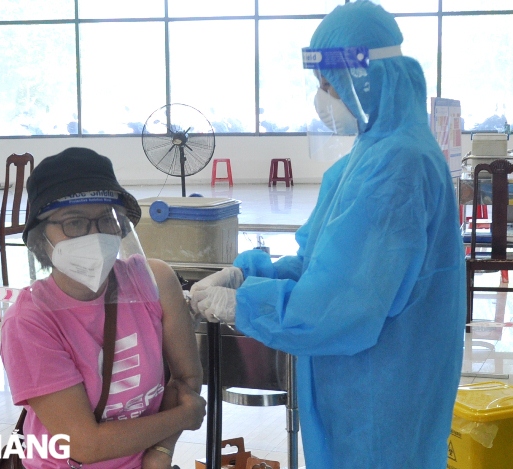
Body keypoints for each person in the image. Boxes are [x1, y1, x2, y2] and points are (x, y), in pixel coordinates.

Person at [190, 2, 465, 468]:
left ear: (369, 80)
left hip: (382, 393)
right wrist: (245, 273)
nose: (322, 100)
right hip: (361, 387)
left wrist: (245, 304)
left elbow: (345, 304)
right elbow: (320, 262)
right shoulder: (368, 156)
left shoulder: (397, 166)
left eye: (329, 85)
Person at [1, 147, 206, 469]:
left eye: (106, 220)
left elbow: (186, 378)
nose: (94, 235)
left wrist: (161, 452)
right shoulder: (30, 322)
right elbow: (84, 444)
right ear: (42, 238)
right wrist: (184, 417)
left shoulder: (153, 282)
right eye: (74, 223)